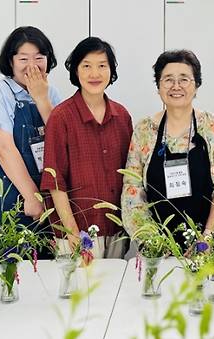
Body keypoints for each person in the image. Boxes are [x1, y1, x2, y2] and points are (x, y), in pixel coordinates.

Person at [121, 50, 214, 248]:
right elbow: (132, 191)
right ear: (158, 86)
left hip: (208, 247)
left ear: (196, 85)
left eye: (184, 79)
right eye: (168, 79)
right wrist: (154, 243)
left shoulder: (212, 127)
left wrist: (207, 239)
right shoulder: (145, 130)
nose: (176, 86)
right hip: (158, 248)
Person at [40, 37, 132, 258]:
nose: (95, 74)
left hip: (116, 230)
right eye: (87, 66)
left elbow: (131, 177)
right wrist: (72, 233)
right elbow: (55, 182)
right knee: (78, 292)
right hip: (78, 232)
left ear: (111, 71)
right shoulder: (61, 117)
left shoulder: (122, 116)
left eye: (102, 66)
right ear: (76, 71)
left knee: (114, 292)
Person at [0, 26, 62, 249]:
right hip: (4, 199)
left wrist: (42, 99)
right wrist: (32, 197)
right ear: (10, 62)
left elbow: (62, 143)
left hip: (46, 202)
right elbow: (1, 146)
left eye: (39, 58)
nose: (32, 66)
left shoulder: (51, 94)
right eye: (23, 58)